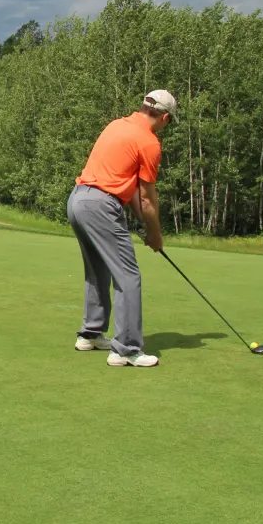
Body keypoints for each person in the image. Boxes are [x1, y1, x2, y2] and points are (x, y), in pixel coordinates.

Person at [68, 90, 178, 368]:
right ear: (165, 117)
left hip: (78, 199)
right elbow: (146, 199)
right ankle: (126, 349)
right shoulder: (149, 142)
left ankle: (91, 334)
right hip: (102, 205)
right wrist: (155, 234)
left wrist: (145, 225)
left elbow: (128, 194)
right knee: (128, 275)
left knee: (98, 269)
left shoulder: (116, 125)